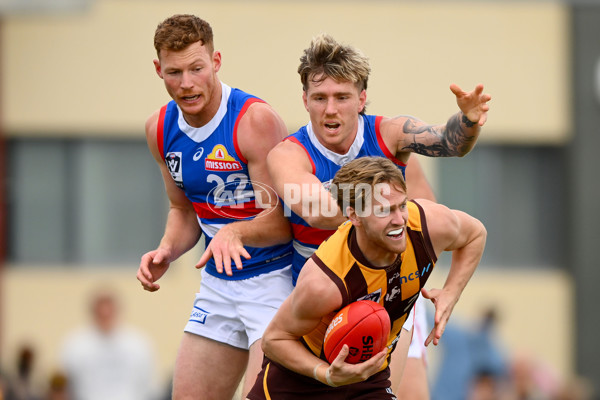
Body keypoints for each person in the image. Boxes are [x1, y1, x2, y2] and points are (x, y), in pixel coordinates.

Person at [265, 33, 491, 397]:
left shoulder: (390, 134)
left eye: (342, 97)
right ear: (305, 99)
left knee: (403, 393)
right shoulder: (288, 154)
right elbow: (316, 211)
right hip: (313, 303)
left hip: (390, 299)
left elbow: (450, 142)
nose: (331, 109)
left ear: (362, 99)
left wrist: (467, 122)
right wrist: (379, 201)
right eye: (320, 98)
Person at [136, 14, 293, 400]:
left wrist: (235, 231)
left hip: (275, 283)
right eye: (174, 72)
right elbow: (183, 211)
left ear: (216, 61)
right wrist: (167, 250)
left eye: (197, 68)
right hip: (219, 285)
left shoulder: (253, 121)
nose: (187, 84)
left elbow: (289, 218)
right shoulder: (160, 129)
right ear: (158, 69)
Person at [246, 156, 487, 399]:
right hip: (298, 382)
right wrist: (327, 374)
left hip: (368, 379)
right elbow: (274, 339)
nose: (399, 220)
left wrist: (451, 293)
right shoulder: (325, 281)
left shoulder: (430, 226)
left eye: (401, 205)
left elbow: (475, 234)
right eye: (384, 210)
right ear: (354, 217)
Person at [59, 289, 159, 400]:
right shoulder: (75, 344)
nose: (105, 312)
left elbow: (150, 385)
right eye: (101, 308)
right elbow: (64, 386)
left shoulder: (138, 343)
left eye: (109, 308)